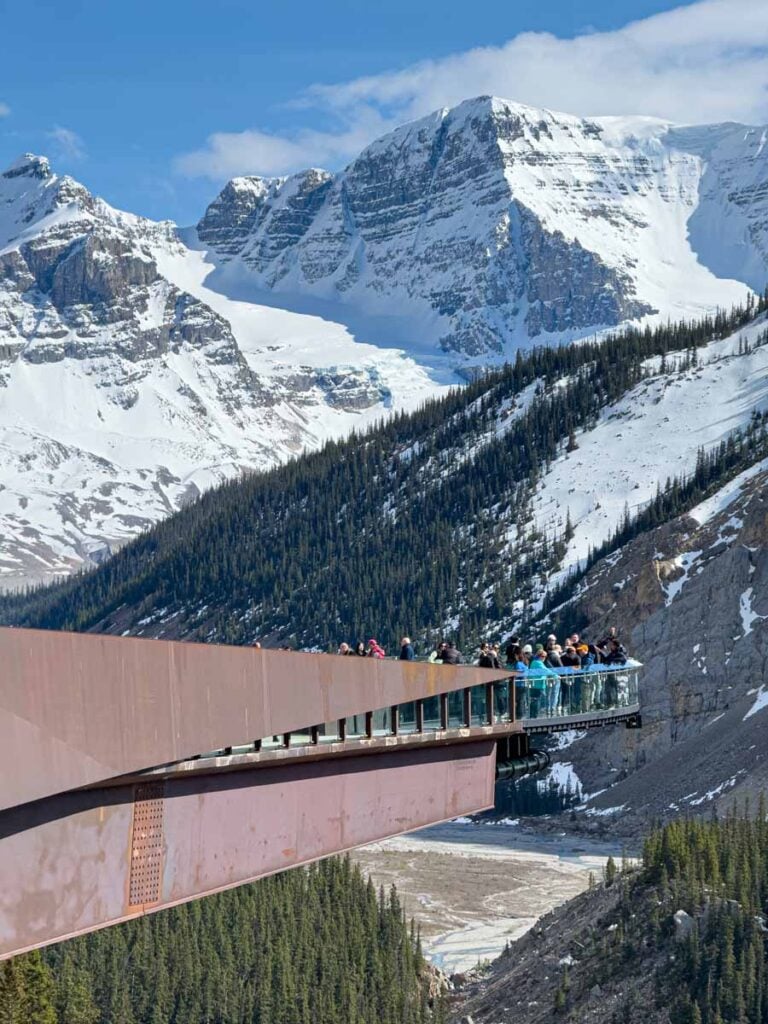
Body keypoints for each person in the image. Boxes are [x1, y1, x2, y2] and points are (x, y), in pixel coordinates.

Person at [527, 647, 559, 718]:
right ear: (539, 656)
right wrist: (556, 675)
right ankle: (536, 716)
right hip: (538, 685)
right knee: (539, 700)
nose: (544, 658)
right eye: (543, 656)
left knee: (535, 700)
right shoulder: (538, 663)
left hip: (535, 684)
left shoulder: (534, 662)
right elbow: (546, 670)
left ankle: (533, 715)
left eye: (545, 656)